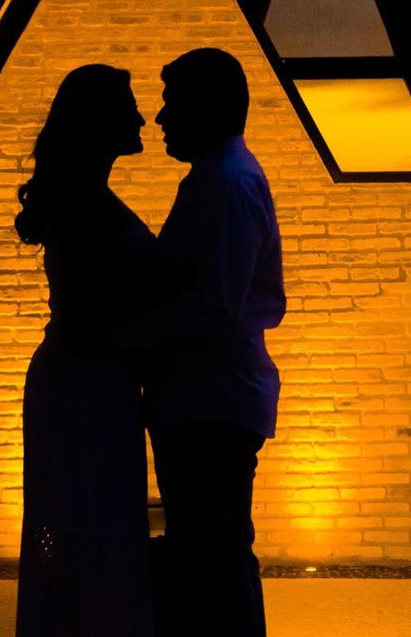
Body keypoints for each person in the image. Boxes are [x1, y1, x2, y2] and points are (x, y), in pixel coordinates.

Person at [121, 48, 285, 637]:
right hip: (203, 400)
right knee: (211, 552)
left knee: (215, 556)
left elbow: (216, 302)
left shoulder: (227, 184)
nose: (161, 118)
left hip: (211, 403)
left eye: (173, 103)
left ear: (208, 107)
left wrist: (125, 337)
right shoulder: (218, 179)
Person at [15, 65, 159, 637]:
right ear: (98, 120)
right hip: (83, 386)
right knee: (83, 519)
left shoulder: (89, 198)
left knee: (96, 518)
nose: (141, 117)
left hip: (96, 383)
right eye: (129, 105)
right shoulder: (83, 207)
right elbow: (88, 316)